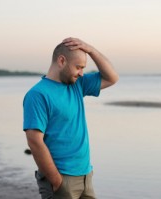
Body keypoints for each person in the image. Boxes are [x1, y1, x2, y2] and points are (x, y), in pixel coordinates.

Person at [23, 37, 119, 199]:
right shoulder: (37, 95)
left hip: (85, 176)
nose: (81, 73)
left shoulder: (77, 85)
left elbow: (112, 77)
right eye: (79, 67)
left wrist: (91, 50)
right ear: (62, 61)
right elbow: (34, 141)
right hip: (61, 178)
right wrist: (57, 181)